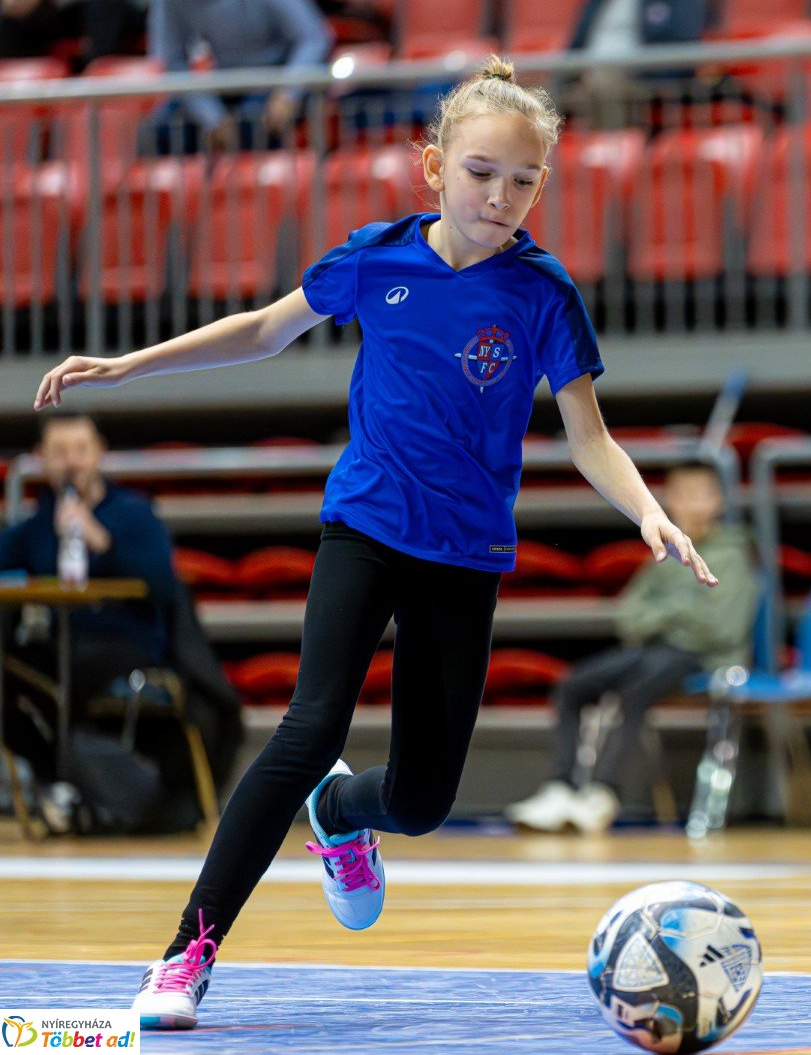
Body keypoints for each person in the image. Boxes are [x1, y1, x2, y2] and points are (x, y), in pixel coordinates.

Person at [33, 54, 717, 1030]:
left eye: (525, 181)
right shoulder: (376, 258)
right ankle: (187, 953)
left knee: (425, 798)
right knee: (308, 727)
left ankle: (344, 817)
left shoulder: (542, 294)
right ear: (432, 165)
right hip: (367, 523)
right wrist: (127, 367)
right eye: (481, 172)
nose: (502, 195)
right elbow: (266, 329)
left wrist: (646, 509)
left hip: (467, 553)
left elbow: (588, 434)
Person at [507, 461, 756, 834]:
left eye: (700, 494)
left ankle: (603, 795)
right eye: (682, 495)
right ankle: (561, 786)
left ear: (718, 500)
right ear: (668, 500)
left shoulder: (735, 554)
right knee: (574, 684)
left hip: (703, 657)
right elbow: (630, 618)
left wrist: (665, 614)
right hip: (653, 650)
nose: (691, 504)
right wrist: (678, 613)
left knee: (632, 692)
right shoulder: (666, 551)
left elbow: (719, 628)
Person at [0, 413, 181, 825]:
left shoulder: (134, 514)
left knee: (64, 674)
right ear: (41, 459)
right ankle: (58, 782)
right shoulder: (38, 526)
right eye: (59, 452)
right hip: (65, 646)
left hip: (126, 646)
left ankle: (91, 786)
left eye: (80, 451)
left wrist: (99, 538)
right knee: (12, 673)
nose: (71, 463)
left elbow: (163, 585)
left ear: (99, 453)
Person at [141, 0, 331, 155]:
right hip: (226, 81)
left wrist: (289, 93)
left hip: (279, 74)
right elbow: (172, 61)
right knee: (158, 131)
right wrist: (211, 117)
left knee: (254, 122)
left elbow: (313, 38)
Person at [567, 0, 706, 123]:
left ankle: (613, 142)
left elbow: (684, 43)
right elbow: (577, 44)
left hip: (644, 77)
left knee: (603, 81)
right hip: (589, 75)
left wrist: (650, 73)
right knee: (542, 94)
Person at [0, 0, 148, 64]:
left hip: (129, 6)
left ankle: (95, 86)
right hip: (70, 7)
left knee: (101, 9)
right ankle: (19, 90)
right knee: (9, 24)